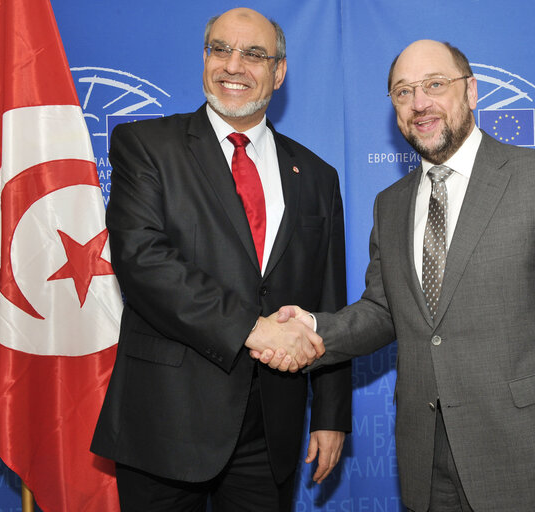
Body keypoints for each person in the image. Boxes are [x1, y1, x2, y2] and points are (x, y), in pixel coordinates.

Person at [260, 40, 535, 511]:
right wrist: (312, 328)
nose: (419, 104)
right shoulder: (390, 204)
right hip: (427, 463)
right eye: (403, 92)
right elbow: (383, 310)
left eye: (435, 85)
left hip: (530, 458)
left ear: (471, 92)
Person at [91, 8, 351, 511]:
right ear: (204, 58)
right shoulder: (146, 146)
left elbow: (328, 299)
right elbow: (143, 262)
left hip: (270, 429)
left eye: (254, 54)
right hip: (166, 420)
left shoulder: (317, 176)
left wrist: (331, 413)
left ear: (279, 71)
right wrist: (254, 329)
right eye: (220, 49)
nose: (234, 65)